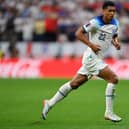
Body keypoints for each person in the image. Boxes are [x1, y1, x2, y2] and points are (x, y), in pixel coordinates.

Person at [42, 1, 122, 122]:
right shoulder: (95, 22)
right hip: (91, 57)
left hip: (98, 58)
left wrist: (115, 42)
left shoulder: (115, 23)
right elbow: (78, 33)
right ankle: (109, 112)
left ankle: (50, 103)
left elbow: (113, 35)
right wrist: (91, 44)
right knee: (113, 79)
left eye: (114, 11)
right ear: (103, 11)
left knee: (74, 84)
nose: (112, 13)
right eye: (109, 11)